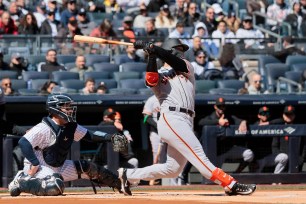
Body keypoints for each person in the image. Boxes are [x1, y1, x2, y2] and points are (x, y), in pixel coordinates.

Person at [118, 38, 256, 196]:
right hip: (171, 117)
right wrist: (151, 55)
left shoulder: (186, 66)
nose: (182, 52)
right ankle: (230, 183)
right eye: (179, 49)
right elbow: (150, 81)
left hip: (186, 119)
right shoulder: (160, 72)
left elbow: (176, 62)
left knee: (172, 169)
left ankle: (128, 175)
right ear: (170, 50)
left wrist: (154, 49)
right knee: (199, 155)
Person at [8, 93, 131, 196]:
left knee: (87, 166)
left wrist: (110, 137)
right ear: (55, 109)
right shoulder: (44, 127)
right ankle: (22, 180)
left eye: (69, 106)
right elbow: (23, 142)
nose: (70, 110)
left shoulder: (71, 126)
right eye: (66, 107)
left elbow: (90, 135)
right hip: (38, 167)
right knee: (55, 186)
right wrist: (34, 163)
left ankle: (119, 184)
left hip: (59, 166)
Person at [198, 97, 254, 173]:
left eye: (223, 106)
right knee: (213, 175)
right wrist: (218, 121)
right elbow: (201, 122)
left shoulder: (228, 116)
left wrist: (243, 122)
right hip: (218, 153)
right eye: (219, 106)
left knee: (249, 154)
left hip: (229, 149)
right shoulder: (211, 117)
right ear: (215, 107)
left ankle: (236, 174)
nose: (221, 108)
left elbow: (238, 120)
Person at [254, 106, 296, 174]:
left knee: (283, 157)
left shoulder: (274, 123)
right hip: (259, 159)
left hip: (271, 157)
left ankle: (276, 179)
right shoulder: (255, 126)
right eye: (263, 114)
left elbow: (282, 120)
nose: (265, 115)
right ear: (258, 115)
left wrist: (269, 123)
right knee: (255, 180)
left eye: (267, 113)